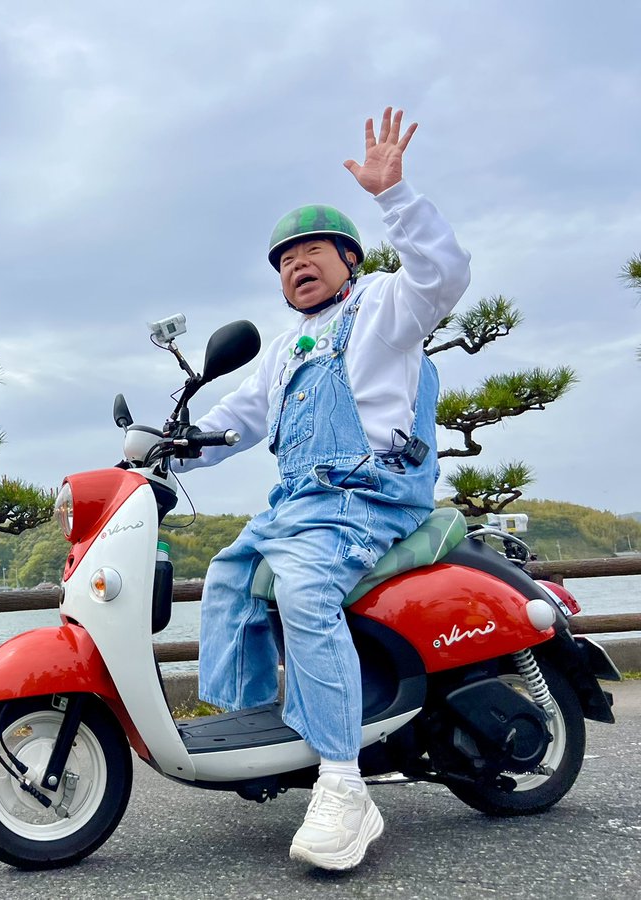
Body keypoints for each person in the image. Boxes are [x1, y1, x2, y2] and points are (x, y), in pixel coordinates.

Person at [176, 108, 471, 870]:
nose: (295, 266)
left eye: (311, 252)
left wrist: (395, 195)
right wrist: (164, 450)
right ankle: (264, 735)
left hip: (367, 498)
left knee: (304, 592)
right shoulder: (284, 348)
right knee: (229, 578)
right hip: (301, 508)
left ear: (349, 258)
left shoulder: (383, 309)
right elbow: (233, 420)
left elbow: (442, 275)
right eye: (283, 261)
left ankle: (344, 783)